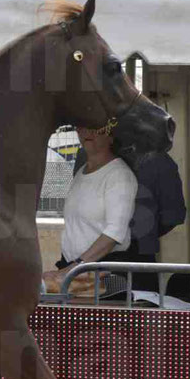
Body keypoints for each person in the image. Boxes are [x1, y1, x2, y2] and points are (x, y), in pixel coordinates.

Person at [72, 147, 185, 291]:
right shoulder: (158, 158)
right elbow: (172, 217)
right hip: (135, 254)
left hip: (92, 253)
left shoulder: (87, 153)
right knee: (136, 308)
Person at [42, 124, 138, 291]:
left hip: (104, 275)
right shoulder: (80, 171)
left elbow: (114, 233)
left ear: (111, 136)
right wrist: (69, 269)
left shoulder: (119, 175)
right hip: (76, 271)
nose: (87, 133)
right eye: (82, 128)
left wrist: (73, 269)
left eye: (97, 128)